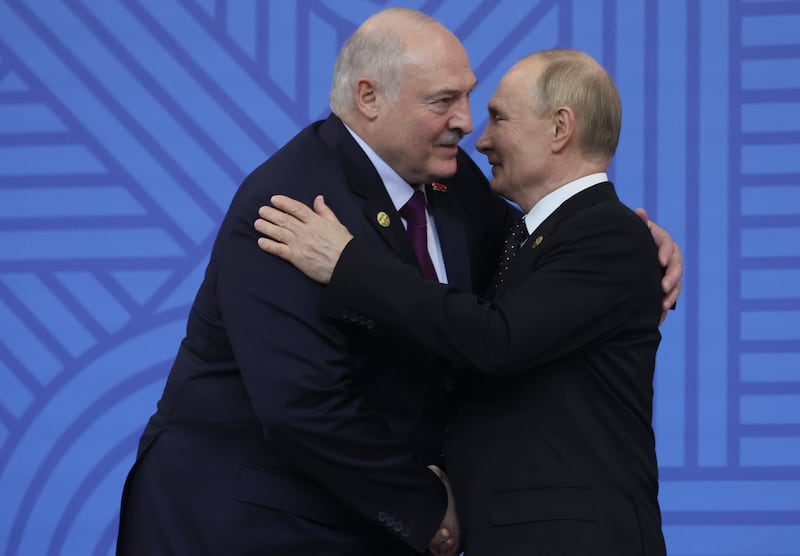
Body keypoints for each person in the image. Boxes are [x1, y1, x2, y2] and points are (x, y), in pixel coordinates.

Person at [117, 6, 680, 555]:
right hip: (247, 526)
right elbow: (302, 406)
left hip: (354, 520)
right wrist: (424, 507)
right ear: (369, 99)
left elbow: (541, 246)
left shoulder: (451, 187)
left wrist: (640, 239)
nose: (467, 124)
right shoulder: (295, 205)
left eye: (469, 97)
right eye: (443, 102)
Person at [255, 49, 669, 555]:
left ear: (560, 129)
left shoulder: (606, 234)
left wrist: (347, 265)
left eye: (499, 117)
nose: (482, 136)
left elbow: (495, 339)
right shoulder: (531, 237)